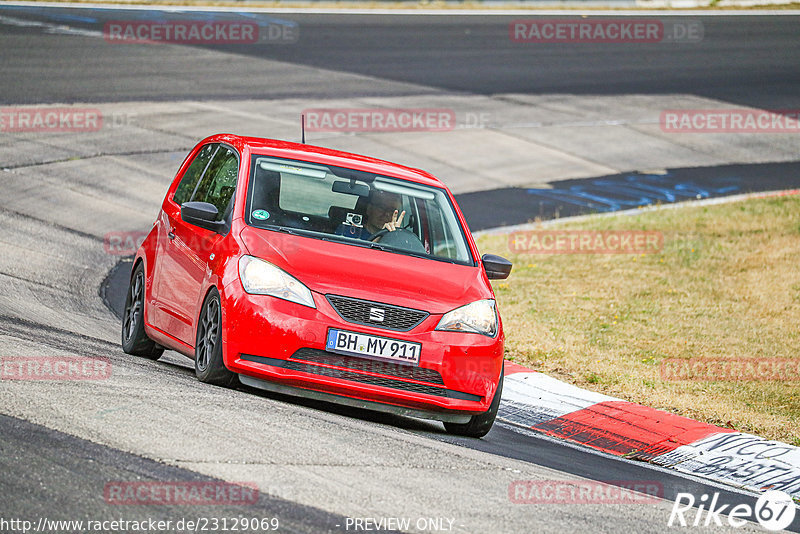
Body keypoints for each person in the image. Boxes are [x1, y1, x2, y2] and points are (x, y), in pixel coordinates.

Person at [336, 190, 406, 241]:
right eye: (381, 207)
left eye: (392, 211)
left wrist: (395, 235)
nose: (386, 214)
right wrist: (379, 238)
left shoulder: (398, 240)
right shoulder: (349, 230)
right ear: (369, 209)